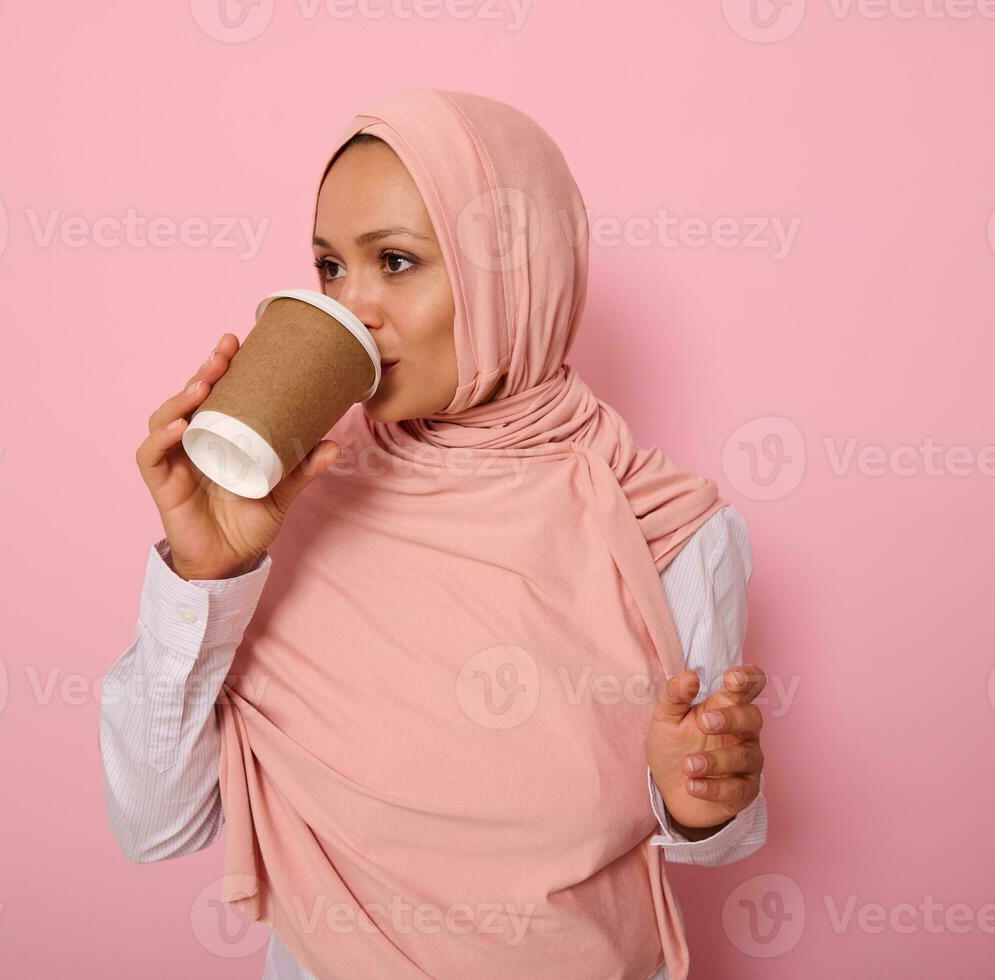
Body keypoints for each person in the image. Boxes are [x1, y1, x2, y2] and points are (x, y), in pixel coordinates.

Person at [101, 88, 769, 980]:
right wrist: (204, 572)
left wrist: (698, 799)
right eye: (330, 267)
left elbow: (715, 833)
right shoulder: (291, 503)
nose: (355, 308)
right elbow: (156, 827)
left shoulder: (671, 531)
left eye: (397, 261)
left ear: (516, 275)